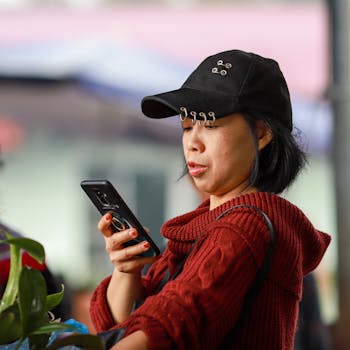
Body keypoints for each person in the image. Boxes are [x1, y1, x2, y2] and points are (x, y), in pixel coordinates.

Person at [89, 49, 331, 350]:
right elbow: (129, 327)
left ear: (261, 132)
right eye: (187, 127)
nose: (192, 143)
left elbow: (173, 323)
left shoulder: (244, 226)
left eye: (211, 125)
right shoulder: (204, 231)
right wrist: (128, 271)